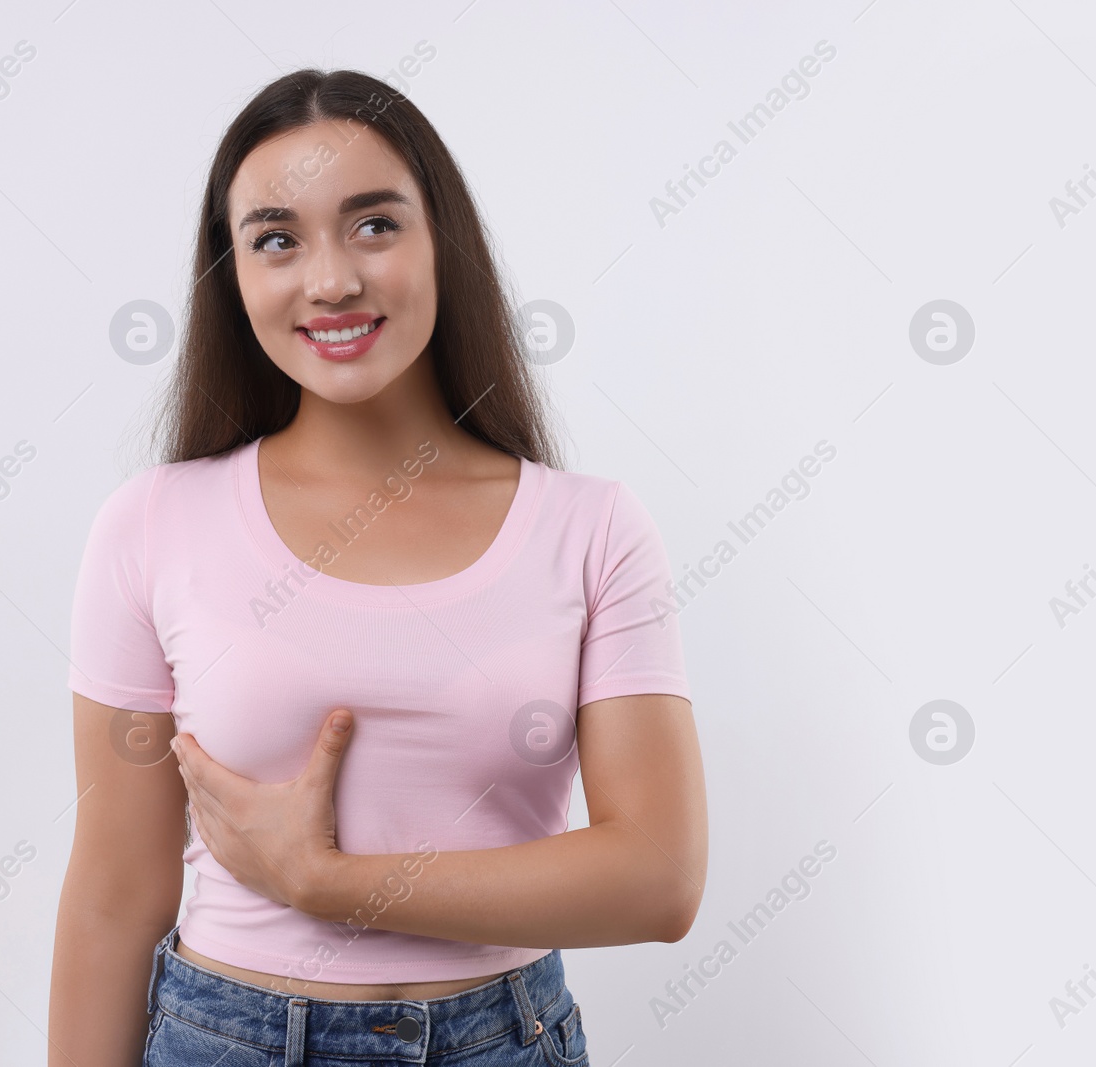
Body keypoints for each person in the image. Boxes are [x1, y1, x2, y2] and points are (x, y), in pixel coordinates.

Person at [48, 68, 706, 1066]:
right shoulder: (152, 524)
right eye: (277, 239)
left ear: (443, 242)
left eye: (374, 225)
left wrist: (327, 880)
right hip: (226, 1036)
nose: (330, 280)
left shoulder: (592, 528)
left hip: (506, 1039)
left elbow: (659, 878)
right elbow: (111, 896)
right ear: (234, 275)